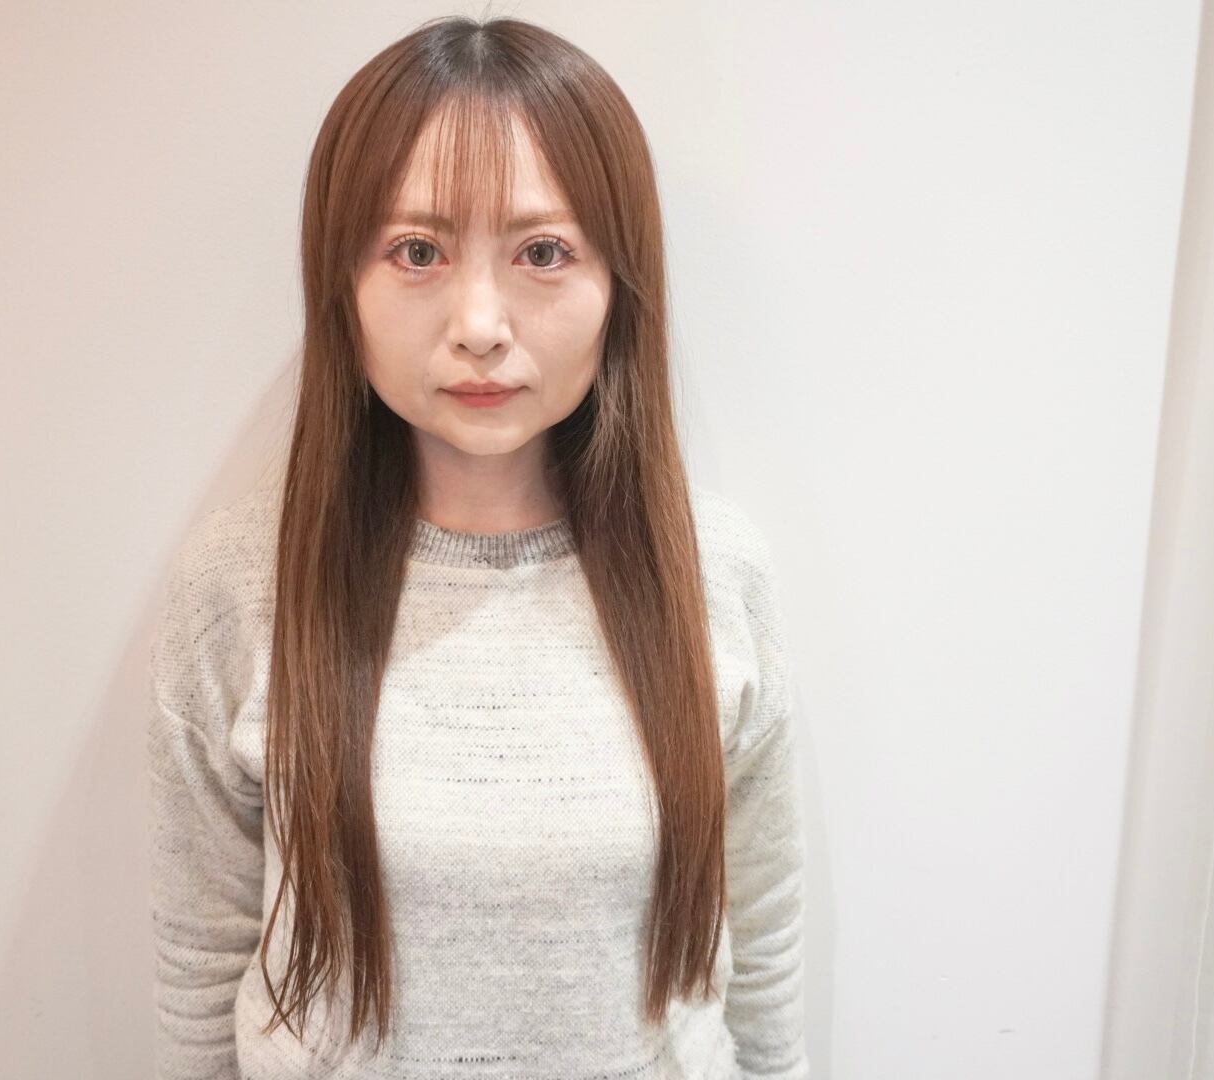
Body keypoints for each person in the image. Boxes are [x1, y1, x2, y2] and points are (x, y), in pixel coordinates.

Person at [147, 14, 809, 1079]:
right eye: (417, 251)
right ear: (341, 283)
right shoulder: (237, 588)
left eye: (543, 252)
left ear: (618, 283)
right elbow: (201, 963)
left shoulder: (713, 576)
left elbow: (762, 948)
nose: (480, 324)